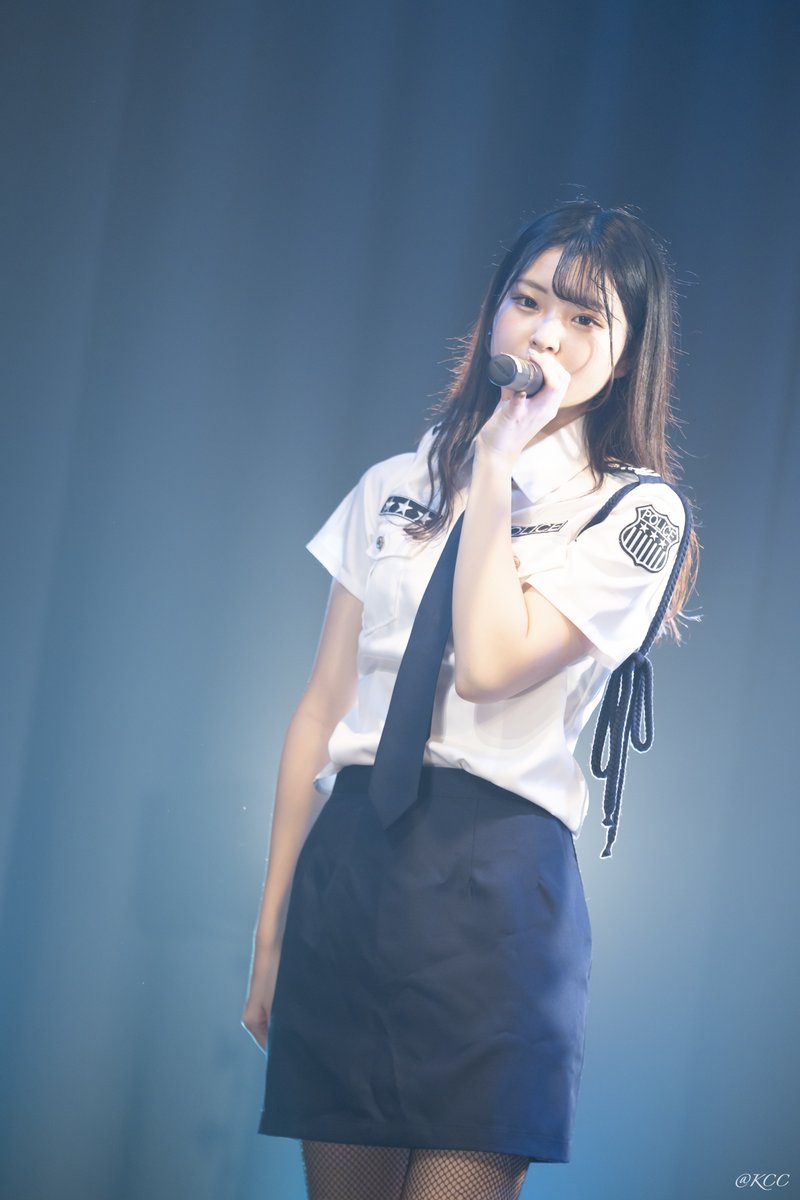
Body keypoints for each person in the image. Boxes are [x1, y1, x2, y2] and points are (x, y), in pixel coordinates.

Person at [242, 199, 700, 1200]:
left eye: (583, 317)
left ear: (625, 354)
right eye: (527, 301)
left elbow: (491, 663)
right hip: (350, 872)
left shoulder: (635, 511)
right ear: (493, 311)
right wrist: (270, 934)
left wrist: (496, 464)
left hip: (496, 889)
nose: (546, 333)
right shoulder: (394, 482)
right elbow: (319, 710)